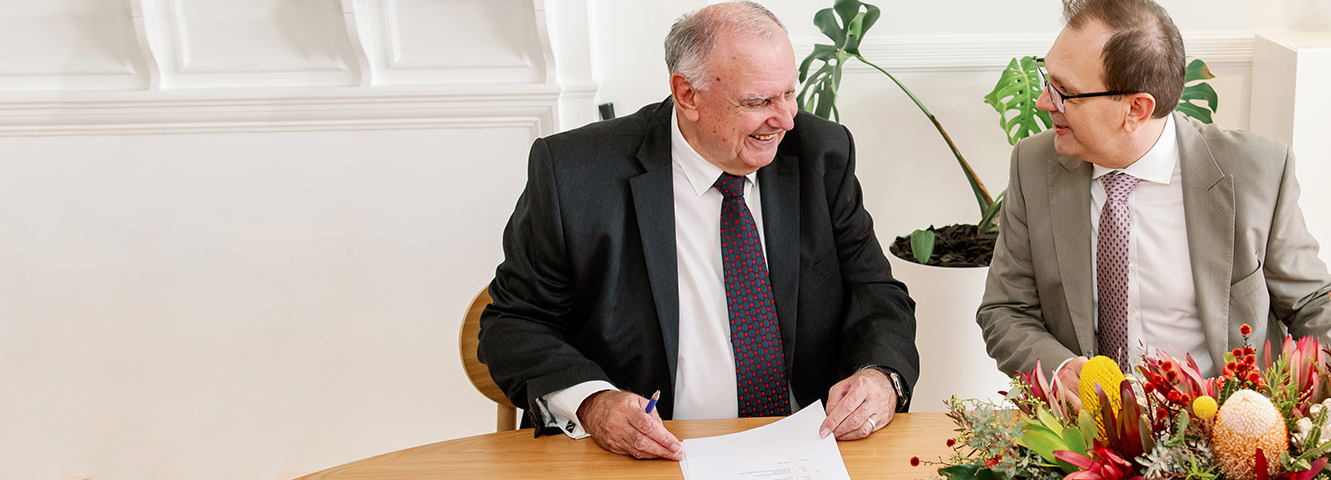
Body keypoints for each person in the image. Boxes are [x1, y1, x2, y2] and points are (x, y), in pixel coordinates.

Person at [477, 1, 918, 461]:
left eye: (789, 93)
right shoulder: (575, 173)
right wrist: (592, 402)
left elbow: (877, 293)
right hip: (653, 455)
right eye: (758, 101)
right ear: (687, 94)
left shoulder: (820, 154)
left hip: (809, 447)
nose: (785, 119)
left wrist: (880, 376)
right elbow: (514, 324)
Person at [978, 0, 1331, 403]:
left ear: (1136, 109)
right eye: (1048, 80)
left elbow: (1312, 304)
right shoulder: (1033, 165)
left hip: (1224, 427)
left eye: (1066, 93)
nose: (1044, 102)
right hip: (1085, 435)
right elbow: (1005, 311)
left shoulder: (1255, 172)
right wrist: (1060, 370)